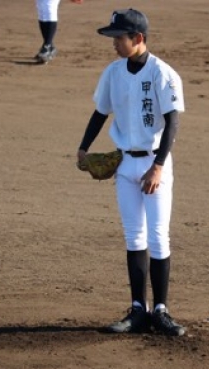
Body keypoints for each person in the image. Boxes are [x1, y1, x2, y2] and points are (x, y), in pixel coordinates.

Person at [77, 9, 186, 336]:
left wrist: (158, 167)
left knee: (158, 236)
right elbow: (100, 112)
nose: (114, 43)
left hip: (154, 163)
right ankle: (139, 309)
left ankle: (161, 311)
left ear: (138, 38)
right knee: (134, 236)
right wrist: (83, 147)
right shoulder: (113, 73)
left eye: (118, 38)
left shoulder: (162, 73)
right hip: (125, 163)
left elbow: (172, 123)